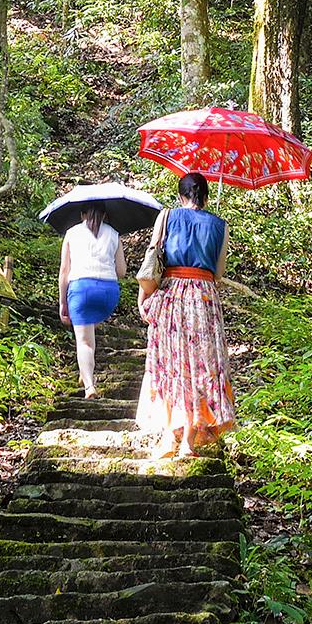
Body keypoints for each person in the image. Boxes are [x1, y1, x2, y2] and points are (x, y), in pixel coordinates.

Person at [135, 171, 235, 456]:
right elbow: (217, 274)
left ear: (181, 195)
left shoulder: (167, 216)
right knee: (200, 368)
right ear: (204, 196)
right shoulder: (220, 225)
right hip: (204, 300)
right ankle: (188, 442)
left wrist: (144, 296)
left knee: (171, 364)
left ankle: (168, 436)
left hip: (173, 295)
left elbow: (152, 259)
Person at [59, 208, 124, 398]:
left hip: (82, 289)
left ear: (81, 214)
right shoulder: (114, 234)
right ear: (105, 214)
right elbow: (121, 271)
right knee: (89, 331)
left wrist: (63, 302)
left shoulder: (72, 233)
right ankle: (84, 370)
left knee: (84, 342)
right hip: (108, 292)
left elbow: (64, 271)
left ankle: (89, 386)